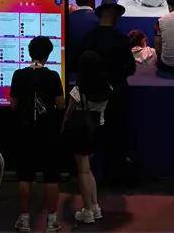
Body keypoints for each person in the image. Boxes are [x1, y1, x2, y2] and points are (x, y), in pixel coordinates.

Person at [10, 36, 64, 233]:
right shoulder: (53, 76)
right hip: (48, 132)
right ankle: (52, 221)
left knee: (25, 176)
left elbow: (13, 103)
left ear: (29, 52)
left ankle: (24, 220)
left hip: (25, 131)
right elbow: (60, 104)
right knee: (51, 177)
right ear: (48, 54)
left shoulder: (18, 75)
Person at [81, 0, 135, 182]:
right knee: (116, 134)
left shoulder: (89, 37)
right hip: (116, 95)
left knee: (95, 136)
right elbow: (130, 68)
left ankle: (95, 176)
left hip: (93, 96)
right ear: (114, 14)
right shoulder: (121, 39)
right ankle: (114, 175)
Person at [65, 50, 110, 225]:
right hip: (98, 130)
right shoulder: (106, 87)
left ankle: (88, 211)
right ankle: (95, 206)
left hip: (81, 132)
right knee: (88, 169)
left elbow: (68, 113)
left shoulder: (78, 90)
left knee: (83, 170)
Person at [67, 0, 98, 72]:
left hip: (71, 67)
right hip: (93, 68)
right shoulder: (99, 19)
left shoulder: (68, 19)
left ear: (76, 2)